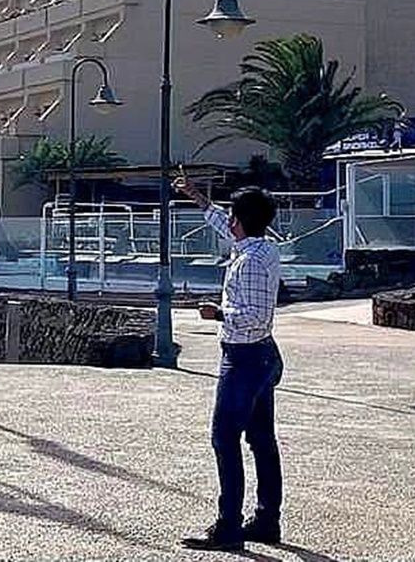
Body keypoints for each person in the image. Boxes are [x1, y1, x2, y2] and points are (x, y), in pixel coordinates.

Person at [176, 176, 285, 552]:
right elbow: (226, 223)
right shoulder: (263, 249)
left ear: (240, 221)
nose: (229, 222)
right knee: (261, 440)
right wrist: (197, 197)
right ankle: (267, 519)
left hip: (244, 358)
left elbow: (254, 315)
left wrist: (218, 313)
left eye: (233, 217)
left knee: (225, 438)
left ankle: (228, 526)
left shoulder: (249, 263)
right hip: (263, 355)